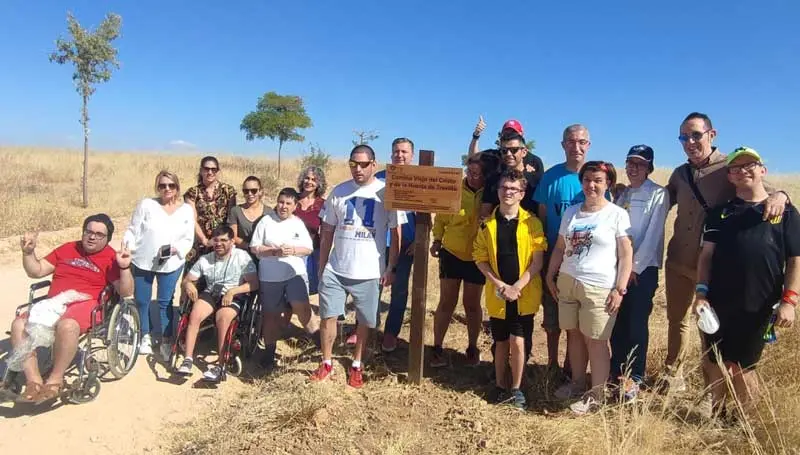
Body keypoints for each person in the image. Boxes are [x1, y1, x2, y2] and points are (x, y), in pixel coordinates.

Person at [661, 112, 789, 392]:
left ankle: (712, 392)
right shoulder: (680, 174)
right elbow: (662, 200)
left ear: (712, 134)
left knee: (709, 327)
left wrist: (782, 195)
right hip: (677, 262)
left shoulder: (729, 166)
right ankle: (673, 377)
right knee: (676, 321)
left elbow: (761, 190)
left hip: (712, 266)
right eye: (684, 137)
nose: (690, 141)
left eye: (696, 134)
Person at [694, 147, 798, 416]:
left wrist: (790, 301)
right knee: (715, 360)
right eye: (736, 168)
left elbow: (796, 260)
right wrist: (701, 293)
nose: (743, 171)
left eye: (749, 165)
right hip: (717, 301)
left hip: (759, 303)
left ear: (763, 170)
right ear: (729, 177)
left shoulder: (785, 212)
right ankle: (717, 414)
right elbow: (706, 256)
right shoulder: (719, 213)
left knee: (742, 366)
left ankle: (749, 421)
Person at [9, 214, 133, 403]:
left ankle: (55, 380)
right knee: (18, 324)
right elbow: (37, 270)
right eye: (89, 232)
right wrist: (28, 253)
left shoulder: (110, 257)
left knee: (67, 326)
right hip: (54, 303)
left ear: (107, 239)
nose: (92, 237)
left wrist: (124, 268)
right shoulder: (68, 248)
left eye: (99, 234)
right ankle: (33, 381)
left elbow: (125, 292)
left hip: (86, 304)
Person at [309, 145, 404, 388]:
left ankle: (356, 364)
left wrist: (391, 267)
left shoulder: (386, 193)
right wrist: (322, 266)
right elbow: (327, 230)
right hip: (336, 269)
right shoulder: (339, 192)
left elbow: (396, 233)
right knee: (328, 317)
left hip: (369, 271)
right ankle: (327, 361)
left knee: (365, 322)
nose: (358, 169)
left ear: (374, 164)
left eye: (363, 165)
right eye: (353, 164)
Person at [545, 161, 633, 415]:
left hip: (599, 286)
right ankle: (577, 383)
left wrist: (620, 289)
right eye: (587, 180)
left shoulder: (617, 214)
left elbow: (626, 254)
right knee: (573, 334)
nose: (591, 185)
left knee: (596, 341)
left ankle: (596, 395)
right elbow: (561, 248)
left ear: (608, 184)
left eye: (598, 180)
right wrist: (551, 275)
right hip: (568, 281)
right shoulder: (571, 212)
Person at [473, 169, 547, 410]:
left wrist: (517, 286)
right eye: (504, 188)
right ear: (498, 190)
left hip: (523, 293)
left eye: (513, 189)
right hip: (499, 294)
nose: (508, 192)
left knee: (518, 341)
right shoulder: (487, 225)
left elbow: (537, 262)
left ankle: (516, 390)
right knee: (501, 341)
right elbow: (480, 258)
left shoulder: (532, 223)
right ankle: (499, 385)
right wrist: (500, 285)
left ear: (522, 193)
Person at [609, 145, 669, 401]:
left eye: (640, 164)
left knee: (636, 322)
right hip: (617, 268)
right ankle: (616, 372)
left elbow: (654, 233)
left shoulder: (658, 194)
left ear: (649, 167)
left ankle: (634, 377)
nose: (634, 168)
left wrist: (634, 267)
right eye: (630, 163)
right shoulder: (622, 194)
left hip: (642, 270)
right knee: (616, 322)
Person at [533, 124, 591, 376]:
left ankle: (572, 366)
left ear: (588, 145)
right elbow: (543, 217)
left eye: (581, 142)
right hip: (555, 257)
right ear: (563, 145)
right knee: (553, 314)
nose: (576, 146)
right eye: (570, 141)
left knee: (576, 319)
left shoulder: (594, 176)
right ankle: (552, 363)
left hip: (586, 261)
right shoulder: (551, 177)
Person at [124, 171, 195, 360]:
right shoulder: (147, 205)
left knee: (165, 302)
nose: (167, 189)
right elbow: (133, 229)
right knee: (142, 299)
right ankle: (145, 335)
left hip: (171, 263)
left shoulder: (186, 209)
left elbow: (189, 237)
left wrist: (176, 249)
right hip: (143, 260)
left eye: (171, 185)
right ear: (158, 187)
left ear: (177, 188)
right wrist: (127, 247)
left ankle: (165, 340)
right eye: (162, 185)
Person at [177, 226, 258, 381]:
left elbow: (254, 284)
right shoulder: (205, 259)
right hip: (211, 293)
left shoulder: (242, 257)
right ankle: (187, 359)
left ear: (232, 242)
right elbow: (188, 279)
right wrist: (188, 285)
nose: (219, 244)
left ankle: (221, 365)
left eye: (223, 240)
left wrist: (233, 291)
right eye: (216, 240)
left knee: (222, 318)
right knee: (195, 315)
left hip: (233, 293)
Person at [250, 188, 318, 370]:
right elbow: (254, 247)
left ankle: (318, 340)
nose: (283, 207)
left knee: (301, 308)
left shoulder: (297, 223)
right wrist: (273, 252)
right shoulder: (266, 221)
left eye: (288, 203)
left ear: (295, 206)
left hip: (294, 273)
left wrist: (293, 251)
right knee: (271, 314)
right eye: (281, 202)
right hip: (270, 275)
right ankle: (269, 351)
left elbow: (309, 248)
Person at [429, 153, 486, 367]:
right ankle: (437, 348)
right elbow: (441, 219)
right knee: (446, 302)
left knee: (472, 305)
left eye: (478, 174)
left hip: (477, 256)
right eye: (470, 173)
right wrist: (436, 240)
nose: (473, 177)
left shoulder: (489, 193)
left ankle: (472, 347)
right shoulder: (454, 189)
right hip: (451, 253)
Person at [375, 137, 416, 352]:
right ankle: (364, 326)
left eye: (404, 152)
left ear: (412, 155)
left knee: (399, 290)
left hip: (406, 244)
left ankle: (391, 333)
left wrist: (418, 240)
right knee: (372, 287)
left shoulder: (420, 180)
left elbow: (427, 214)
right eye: (396, 152)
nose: (399, 155)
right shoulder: (379, 179)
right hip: (379, 243)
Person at [184, 156, 237, 272]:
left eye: (214, 169)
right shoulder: (192, 193)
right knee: (192, 282)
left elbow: (231, 218)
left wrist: (225, 241)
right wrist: (205, 241)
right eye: (206, 169)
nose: (210, 172)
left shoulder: (229, 191)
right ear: (201, 170)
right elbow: (192, 219)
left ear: (218, 171)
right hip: (200, 243)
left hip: (222, 244)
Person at [468, 116, 544, 182]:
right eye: (506, 133)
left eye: (514, 150)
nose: (508, 154)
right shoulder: (493, 156)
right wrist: (476, 136)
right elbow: (472, 160)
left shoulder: (534, 161)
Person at [295, 166, 327, 295]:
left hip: (312, 252)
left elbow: (326, 232)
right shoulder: (292, 199)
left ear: (319, 184)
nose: (309, 182)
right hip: (291, 251)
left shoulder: (323, 204)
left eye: (314, 179)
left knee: (308, 290)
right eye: (307, 178)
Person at [228, 176, 268, 255]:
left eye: (254, 191)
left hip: (264, 255)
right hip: (241, 255)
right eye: (246, 191)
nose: (250, 194)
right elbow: (233, 236)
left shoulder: (269, 212)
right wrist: (250, 247)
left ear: (260, 191)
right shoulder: (236, 211)